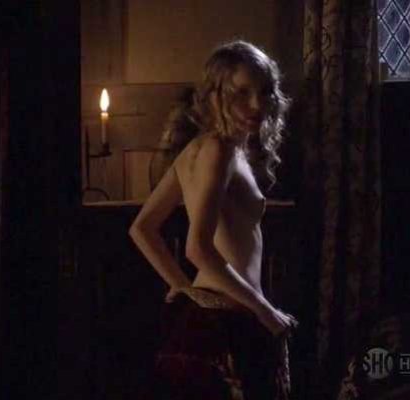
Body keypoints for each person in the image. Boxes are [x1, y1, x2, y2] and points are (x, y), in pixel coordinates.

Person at [128, 40, 298, 400]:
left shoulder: (205, 149)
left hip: (215, 313)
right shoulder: (218, 151)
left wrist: (184, 289)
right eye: (242, 93)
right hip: (227, 321)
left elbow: (143, 228)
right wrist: (264, 311)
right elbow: (197, 248)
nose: (257, 105)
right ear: (217, 94)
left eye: (264, 92)